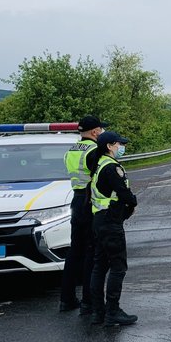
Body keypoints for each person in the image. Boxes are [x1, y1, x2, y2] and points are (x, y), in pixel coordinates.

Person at [59, 115, 108, 314]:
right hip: (89, 201)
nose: (102, 133)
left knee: (74, 251)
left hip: (76, 200)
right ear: (95, 132)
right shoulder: (94, 150)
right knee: (91, 251)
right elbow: (100, 175)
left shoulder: (71, 150)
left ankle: (67, 299)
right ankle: (89, 301)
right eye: (101, 130)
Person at [90, 131, 139, 326]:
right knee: (118, 267)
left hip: (100, 221)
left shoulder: (98, 164)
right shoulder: (111, 168)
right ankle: (113, 311)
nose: (121, 147)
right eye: (119, 144)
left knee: (100, 266)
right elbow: (124, 193)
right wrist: (133, 202)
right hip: (111, 222)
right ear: (110, 146)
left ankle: (98, 312)